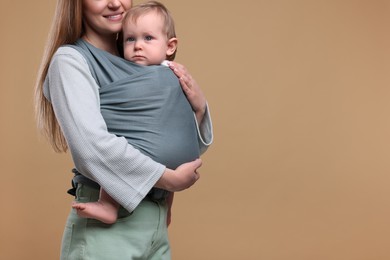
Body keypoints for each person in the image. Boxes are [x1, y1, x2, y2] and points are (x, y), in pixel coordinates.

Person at [34, 0, 213, 259]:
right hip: (108, 233)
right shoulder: (71, 61)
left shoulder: (142, 53)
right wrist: (169, 179)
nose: (115, 2)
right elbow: (91, 147)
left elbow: (171, 132)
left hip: (156, 223)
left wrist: (199, 106)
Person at [71, 1, 200, 225]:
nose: (138, 46)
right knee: (126, 143)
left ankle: (167, 211)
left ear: (170, 47)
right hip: (152, 166)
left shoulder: (174, 71)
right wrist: (172, 179)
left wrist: (199, 105)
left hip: (159, 203)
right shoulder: (76, 61)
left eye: (148, 38)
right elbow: (95, 144)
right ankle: (109, 204)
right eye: (131, 39)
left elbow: (182, 117)